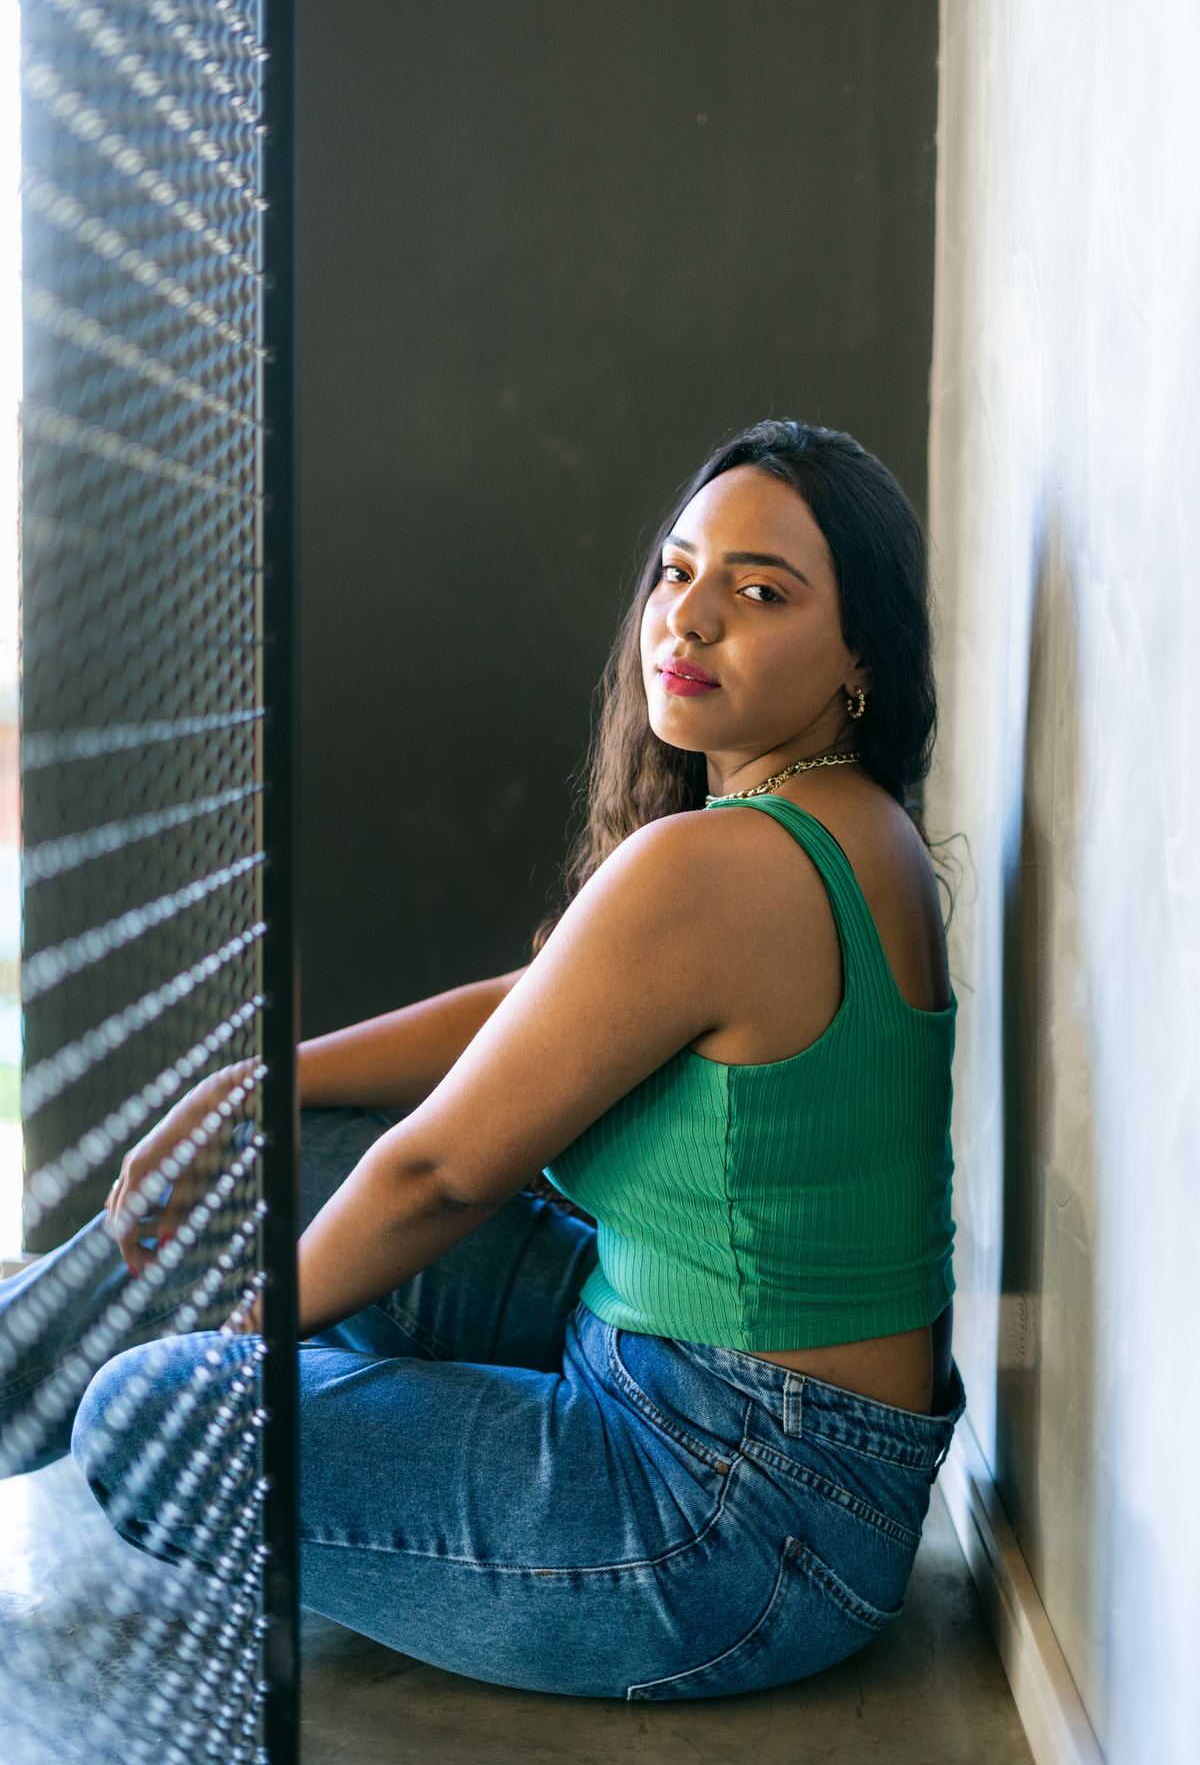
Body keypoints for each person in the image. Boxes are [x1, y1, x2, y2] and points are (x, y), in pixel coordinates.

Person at [4, 419, 963, 1702]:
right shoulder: (845, 824)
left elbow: (440, 1176)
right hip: (739, 1417)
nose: (689, 621)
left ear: (860, 655)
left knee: (155, 1417)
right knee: (284, 1159)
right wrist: (269, 1084)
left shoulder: (725, 864)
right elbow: (543, 1004)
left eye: (760, 591)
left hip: (729, 1523)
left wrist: (260, 1342)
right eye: (678, 572)